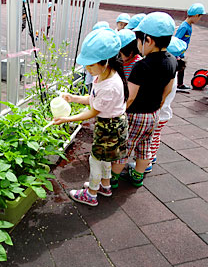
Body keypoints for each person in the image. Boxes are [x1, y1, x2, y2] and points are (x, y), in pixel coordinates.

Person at [53, 28, 128, 206]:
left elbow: (93, 111)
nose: (87, 69)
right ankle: (105, 185)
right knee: (106, 158)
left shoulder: (110, 85)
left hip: (109, 127)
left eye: (91, 65)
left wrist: (67, 119)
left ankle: (91, 194)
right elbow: (93, 99)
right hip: (111, 123)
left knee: (95, 159)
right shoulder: (103, 75)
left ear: (106, 61)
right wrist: (73, 98)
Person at [111, 12, 177, 188]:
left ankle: (113, 179)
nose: (138, 45)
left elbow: (131, 96)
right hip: (154, 113)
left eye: (139, 40)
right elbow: (167, 90)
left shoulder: (141, 66)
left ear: (149, 41)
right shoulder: (172, 61)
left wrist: (119, 113)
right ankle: (138, 177)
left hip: (135, 115)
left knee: (124, 147)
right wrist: (157, 107)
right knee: (145, 147)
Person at [148, 37, 187, 170]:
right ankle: (152, 157)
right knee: (155, 137)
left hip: (159, 113)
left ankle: (146, 163)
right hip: (164, 113)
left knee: (150, 138)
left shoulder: (167, 73)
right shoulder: (173, 71)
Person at [175, 3, 206, 92]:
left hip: (181, 51)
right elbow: (177, 39)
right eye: (199, 17)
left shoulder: (188, 25)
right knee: (179, 67)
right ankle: (177, 85)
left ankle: (179, 84)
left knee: (181, 68)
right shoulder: (184, 27)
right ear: (196, 16)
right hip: (179, 52)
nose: (199, 20)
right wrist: (178, 53)